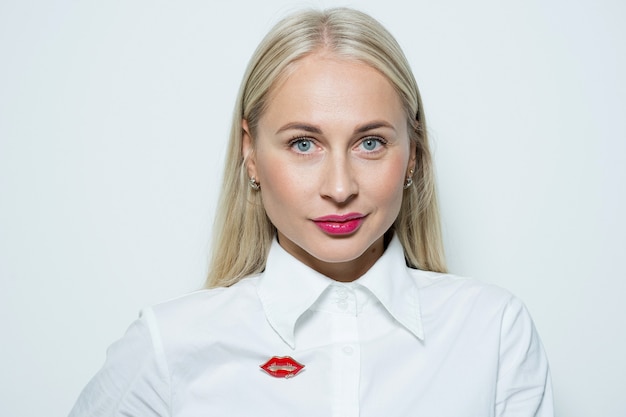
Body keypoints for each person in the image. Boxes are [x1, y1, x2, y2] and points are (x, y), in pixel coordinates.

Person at [69, 7, 553, 416]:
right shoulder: (170, 345)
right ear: (251, 153)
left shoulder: (492, 332)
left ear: (413, 154)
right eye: (304, 144)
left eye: (370, 143)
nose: (339, 187)